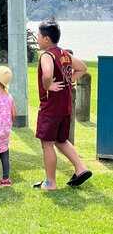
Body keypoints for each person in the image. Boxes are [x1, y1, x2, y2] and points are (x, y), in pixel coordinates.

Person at [34, 18, 92, 190]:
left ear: (46, 39)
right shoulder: (64, 53)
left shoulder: (47, 55)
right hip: (65, 105)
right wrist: (69, 80)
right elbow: (82, 67)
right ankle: (81, 168)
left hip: (51, 106)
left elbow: (47, 74)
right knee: (61, 140)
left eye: (38, 35)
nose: (37, 38)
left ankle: (50, 182)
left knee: (47, 143)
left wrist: (48, 85)